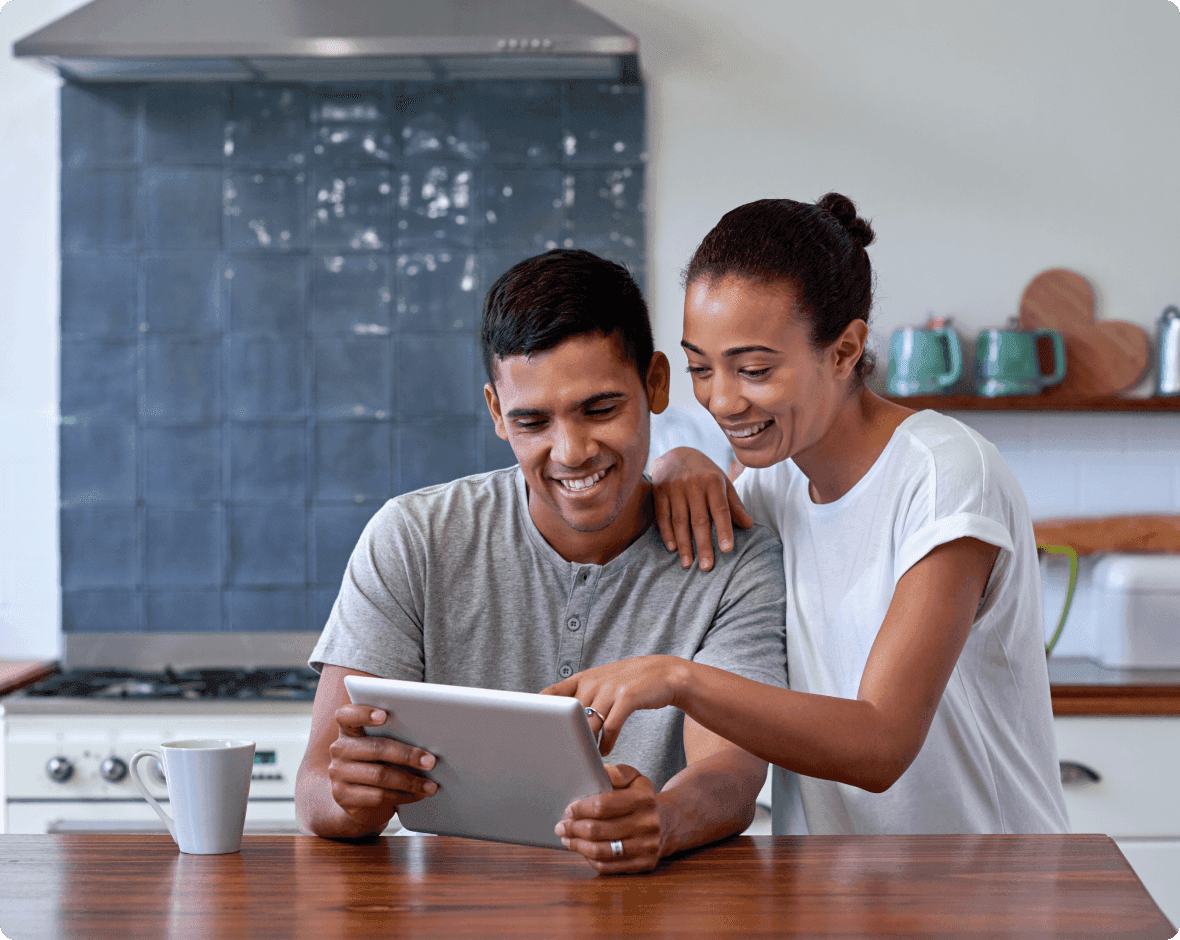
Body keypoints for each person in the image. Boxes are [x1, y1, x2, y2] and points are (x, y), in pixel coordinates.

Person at [544, 195, 1070, 836]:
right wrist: (679, 459)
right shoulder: (768, 481)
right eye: (700, 368)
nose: (723, 400)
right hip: (838, 897)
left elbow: (880, 744)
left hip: (988, 894)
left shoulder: (945, 475)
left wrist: (678, 678)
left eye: (755, 369)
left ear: (846, 350)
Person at [295, 248, 788, 872]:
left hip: (648, 906)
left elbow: (730, 775)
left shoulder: (734, 558)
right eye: (533, 420)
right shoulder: (412, 538)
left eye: (600, 409)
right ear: (498, 413)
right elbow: (316, 786)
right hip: (451, 907)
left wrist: (660, 820)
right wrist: (352, 799)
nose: (572, 451)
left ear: (655, 383)